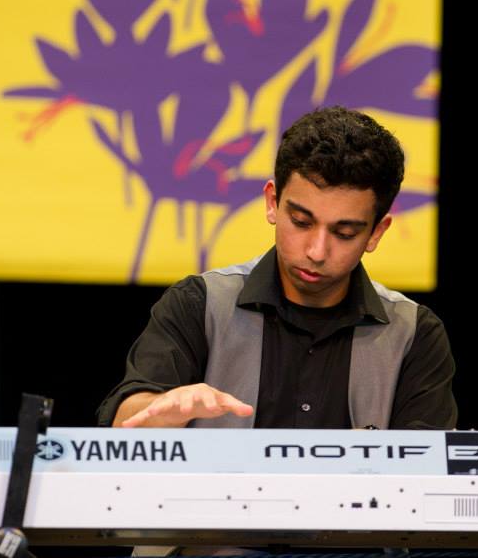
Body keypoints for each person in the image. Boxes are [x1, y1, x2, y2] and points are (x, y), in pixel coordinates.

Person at [96, 106, 456, 430]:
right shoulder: (198, 305)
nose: (316, 251)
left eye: (344, 233)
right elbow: (124, 421)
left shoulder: (414, 334)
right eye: (301, 221)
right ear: (272, 202)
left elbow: (429, 470)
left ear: (377, 232)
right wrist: (161, 411)